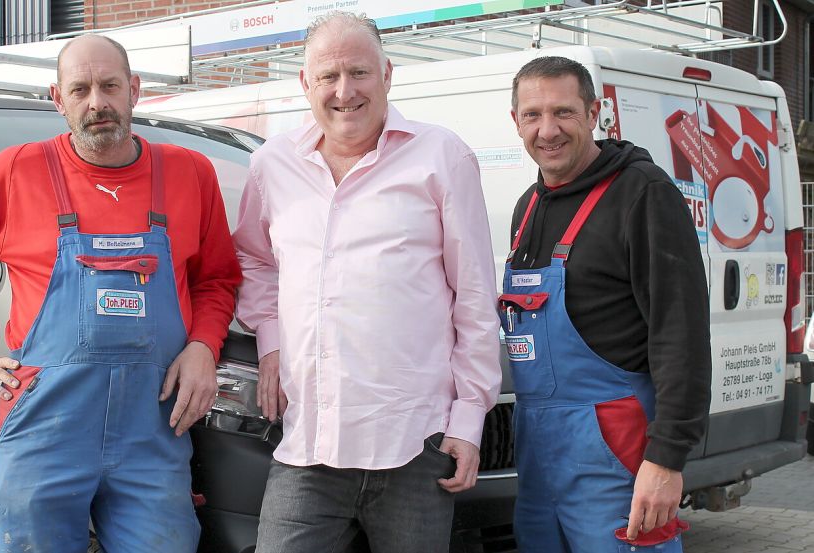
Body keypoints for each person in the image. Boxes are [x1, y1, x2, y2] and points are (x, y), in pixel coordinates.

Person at [0, 34, 241, 552]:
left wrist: (204, 346)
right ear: (58, 99)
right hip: (44, 434)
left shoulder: (191, 173)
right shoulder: (18, 172)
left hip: (153, 431)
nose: (96, 102)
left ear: (134, 90)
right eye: (80, 89)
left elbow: (216, 278)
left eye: (109, 86)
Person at [232, 11, 501, 553]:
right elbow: (254, 261)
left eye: (359, 73)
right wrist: (271, 340)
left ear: (388, 74)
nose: (344, 91)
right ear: (305, 84)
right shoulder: (272, 164)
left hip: (414, 443)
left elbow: (474, 297)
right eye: (328, 77)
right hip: (308, 443)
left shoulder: (441, 156)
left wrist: (469, 419)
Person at [505, 55, 711, 551]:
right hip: (538, 454)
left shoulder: (643, 194)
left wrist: (666, 461)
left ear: (594, 112)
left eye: (564, 112)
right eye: (532, 115)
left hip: (618, 458)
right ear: (515, 121)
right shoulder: (528, 206)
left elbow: (680, 335)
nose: (547, 130)